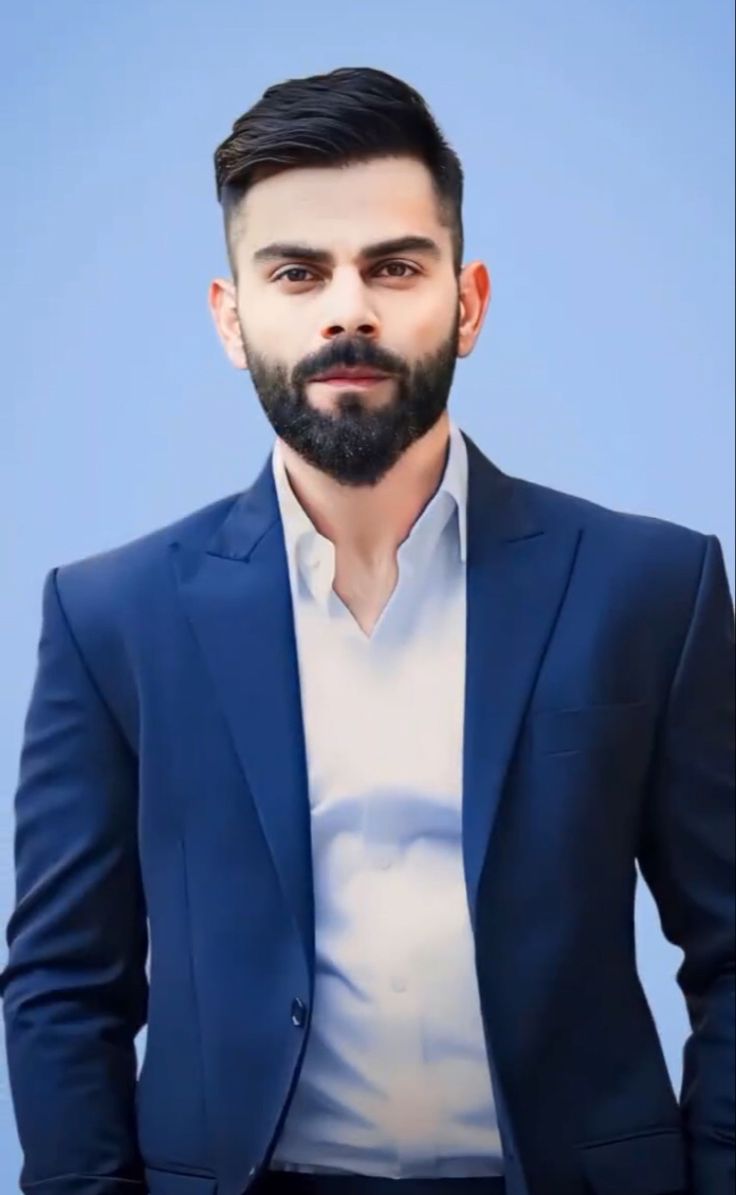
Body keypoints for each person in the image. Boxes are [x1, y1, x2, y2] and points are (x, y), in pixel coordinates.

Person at [1, 65, 733, 1195]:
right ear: (231, 318)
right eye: (297, 272)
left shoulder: (652, 588)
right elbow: (62, 986)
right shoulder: (114, 617)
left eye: (394, 267)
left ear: (469, 302)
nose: (349, 308)